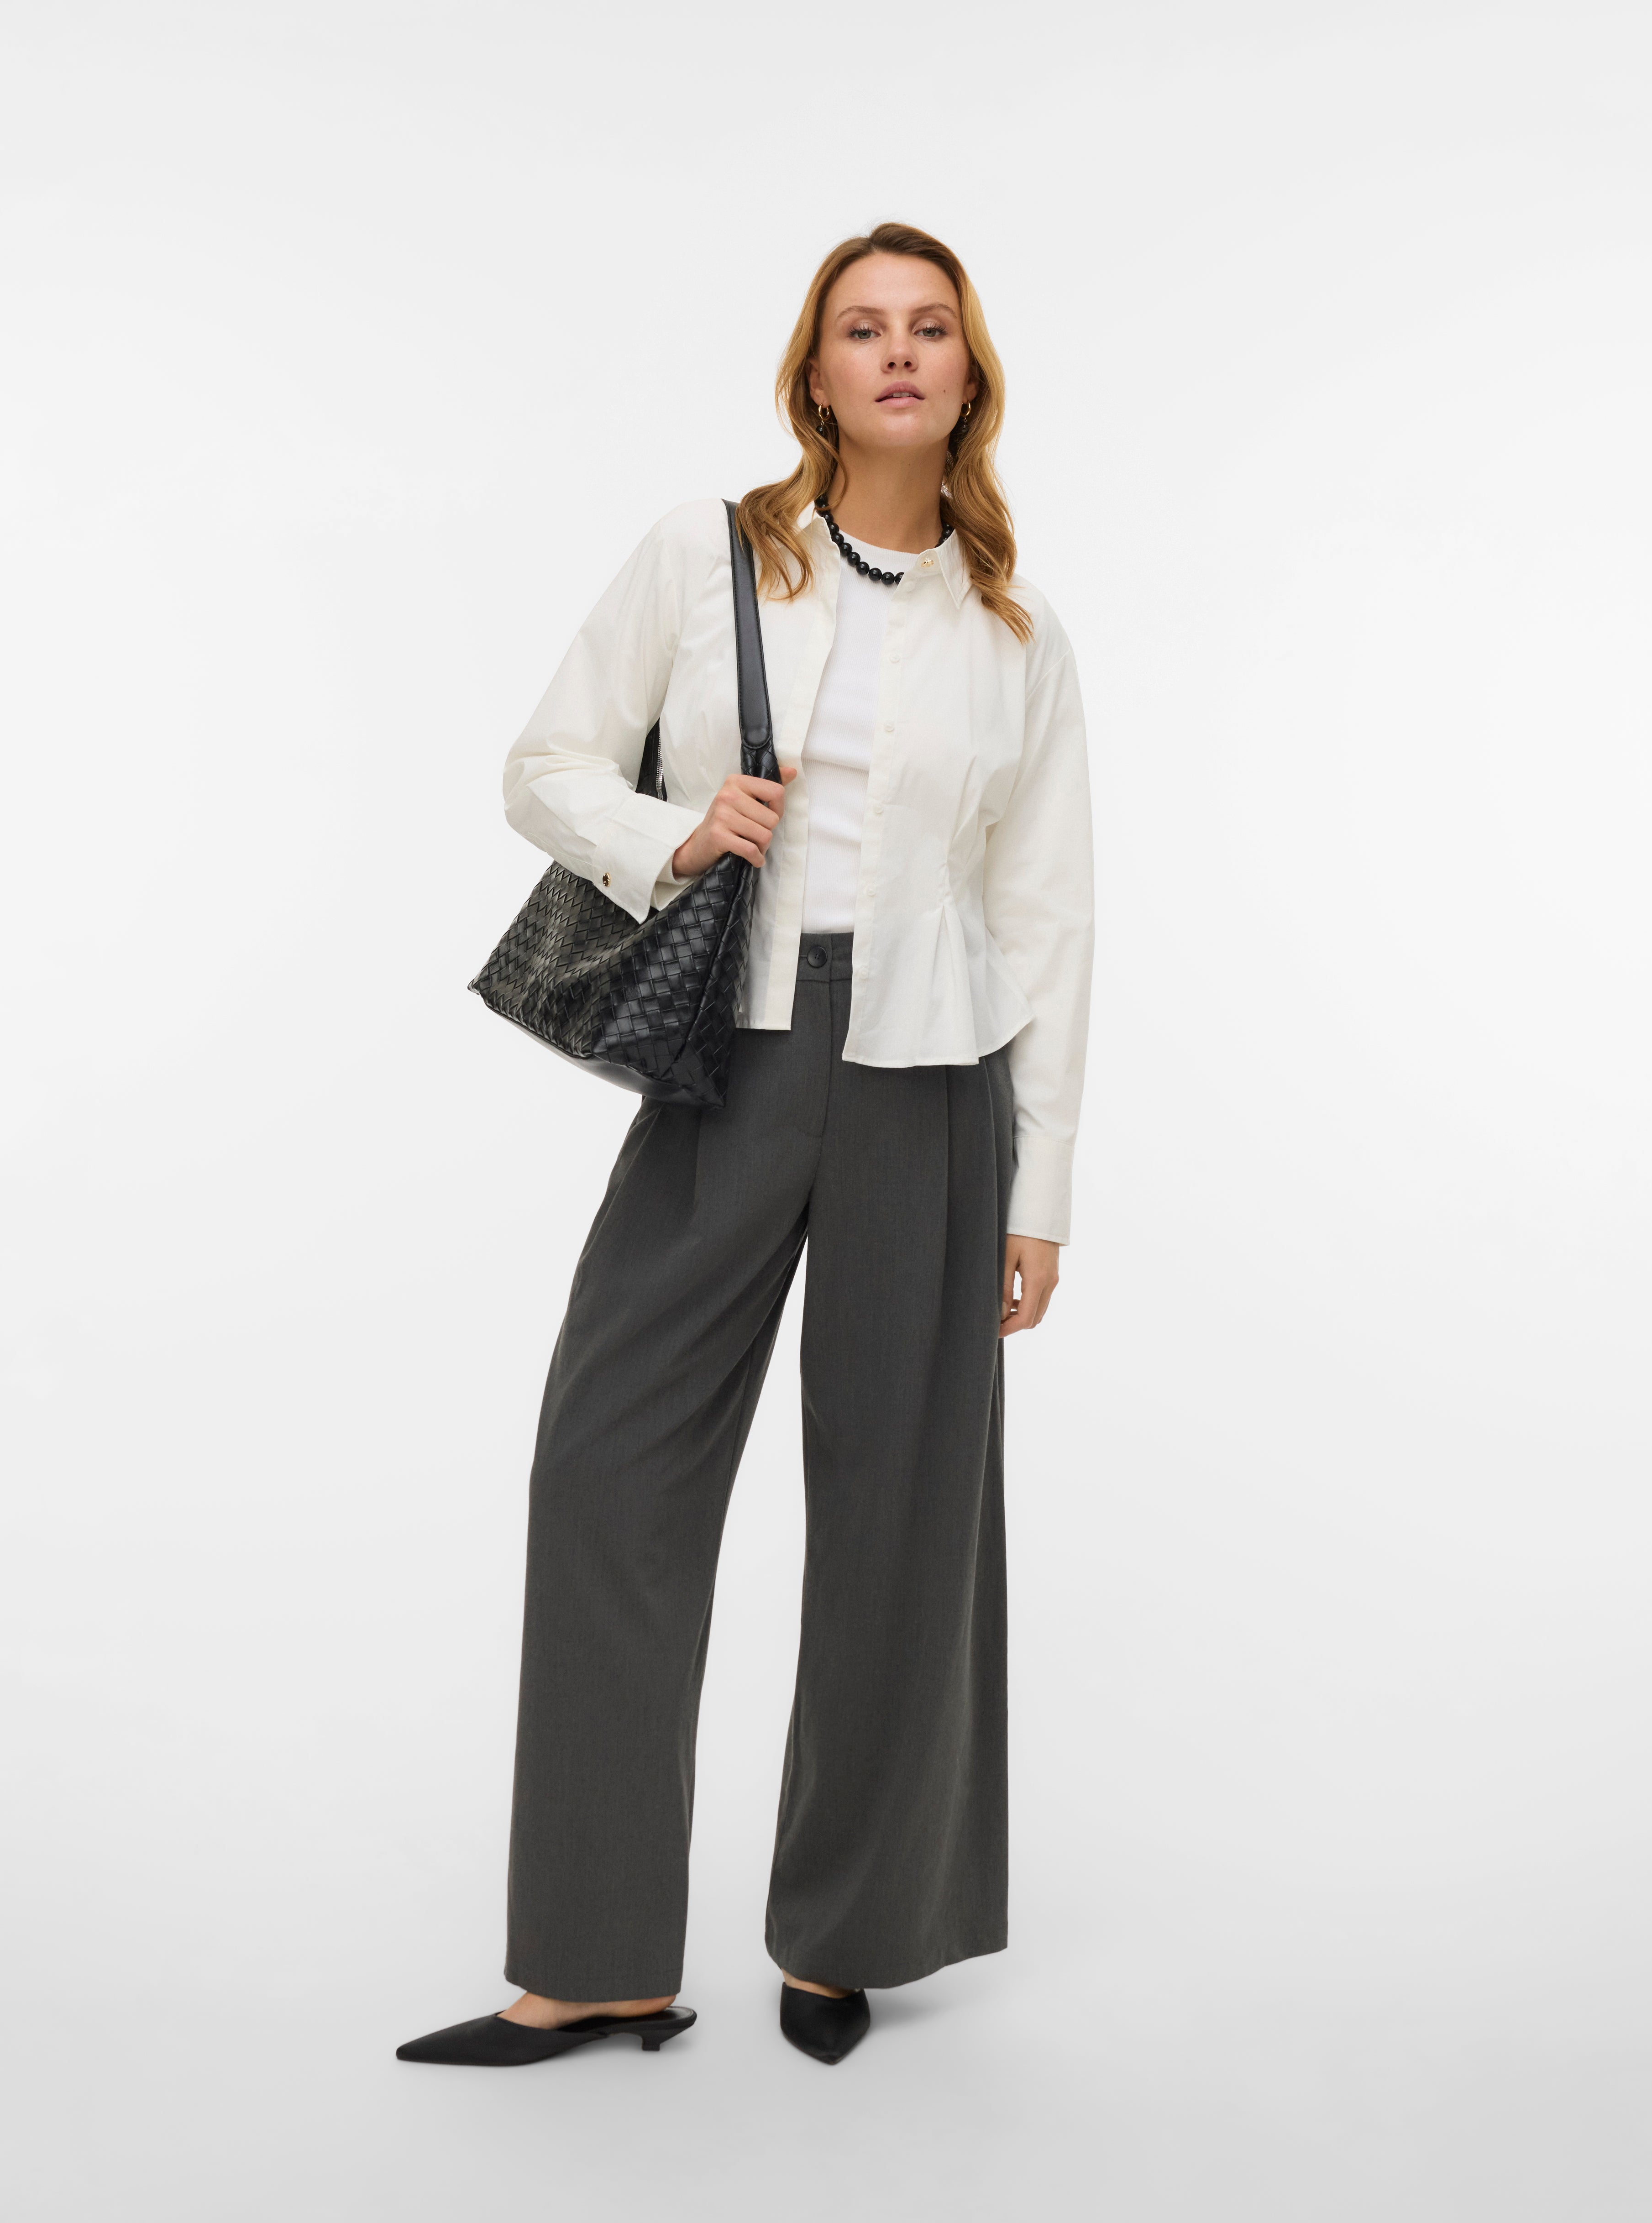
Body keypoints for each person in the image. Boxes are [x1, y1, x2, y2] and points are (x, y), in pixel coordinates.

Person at [397, 221, 1093, 2071]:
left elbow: (1048, 921)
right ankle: (595, 1958)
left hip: (930, 1074)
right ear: (815, 372)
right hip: (736, 1060)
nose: (896, 352)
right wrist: (674, 832)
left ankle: (847, 1935)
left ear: (968, 373)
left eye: (928, 327)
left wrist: (1038, 1191)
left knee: (900, 1508)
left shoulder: (1015, 632)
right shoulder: (702, 557)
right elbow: (543, 765)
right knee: (607, 1466)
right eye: (862, 327)